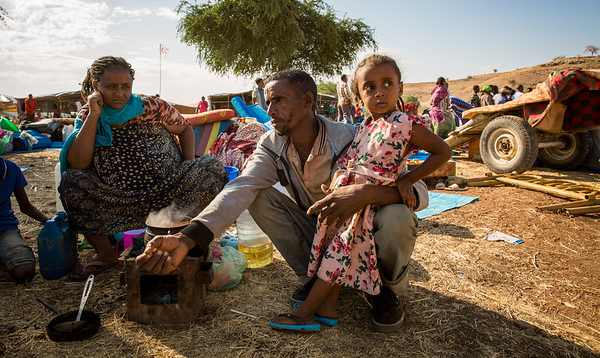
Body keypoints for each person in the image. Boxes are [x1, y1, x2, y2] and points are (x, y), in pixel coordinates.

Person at [137, 67, 433, 333]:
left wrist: (366, 193)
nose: (270, 109)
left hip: (362, 230)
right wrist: (188, 239)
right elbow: (242, 186)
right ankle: (316, 279)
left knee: (397, 217)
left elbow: (419, 192)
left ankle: (382, 291)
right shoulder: (272, 144)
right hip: (322, 232)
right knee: (259, 196)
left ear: (307, 101)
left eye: (279, 100)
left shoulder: (350, 137)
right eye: (269, 101)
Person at [268, 54, 451, 332]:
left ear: (400, 88)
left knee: (338, 251)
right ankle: (328, 307)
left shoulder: (406, 124)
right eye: (369, 87)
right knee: (333, 245)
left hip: (366, 203)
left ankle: (306, 313)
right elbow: (354, 160)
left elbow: (443, 151)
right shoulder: (365, 125)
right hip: (347, 195)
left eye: (387, 83)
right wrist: (336, 184)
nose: (379, 92)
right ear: (358, 97)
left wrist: (409, 179)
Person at [59, 56, 228, 279]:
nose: (119, 93)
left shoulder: (151, 107)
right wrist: (94, 115)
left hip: (167, 188)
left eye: (125, 87)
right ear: (95, 87)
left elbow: (185, 129)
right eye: (111, 87)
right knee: (71, 182)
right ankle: (106, 253)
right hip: (116, 196)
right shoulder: (89, 116)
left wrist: (188, 161)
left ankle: (186, 238)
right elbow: (79, 163)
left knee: (211, 168)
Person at [0, 157, 49, 283]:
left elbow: (26, 207)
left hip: (4, 229)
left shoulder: (10, 169)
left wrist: (49, 222)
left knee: (24, 270)